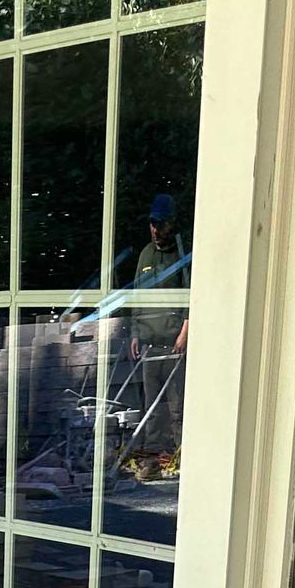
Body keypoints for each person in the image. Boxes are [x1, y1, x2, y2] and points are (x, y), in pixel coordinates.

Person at [127, 194, 190, 463]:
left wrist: (185, 331)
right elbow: (137, 295)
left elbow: (191, 294)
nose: (155, 229)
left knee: (176, 405)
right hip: (150, 341)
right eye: (152, 223)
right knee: (151, 404)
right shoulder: (146, 254)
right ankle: (154, 452)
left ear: (171, 224)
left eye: (160, 223)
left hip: (174, 340)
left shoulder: (181, 253)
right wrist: (134, 332)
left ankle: (181, 452)